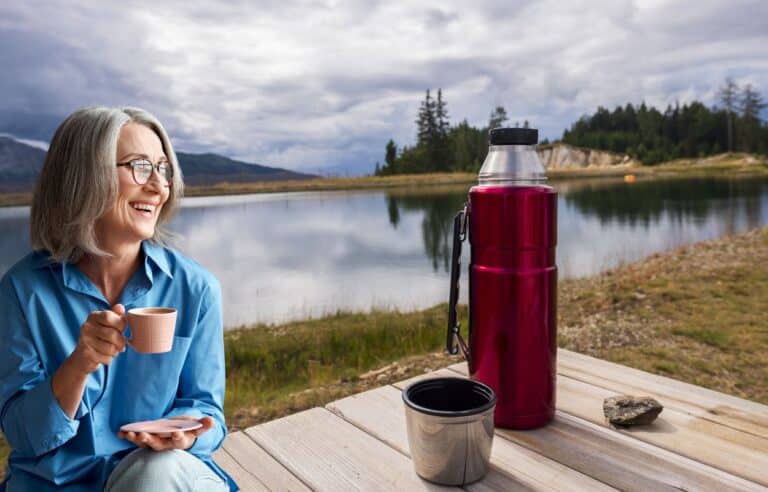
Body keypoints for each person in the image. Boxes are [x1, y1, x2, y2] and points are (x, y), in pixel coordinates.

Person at [0, 107, 237, 491]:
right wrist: (79, 365)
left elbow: (209, 413)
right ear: (82, 175)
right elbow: (24, 436)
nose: (159, 187)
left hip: (160, 477)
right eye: (140, 166)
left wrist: (187, 435)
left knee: (154, 475)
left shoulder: (197, 288)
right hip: (54, 485)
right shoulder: (21, 292)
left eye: (163, 169)